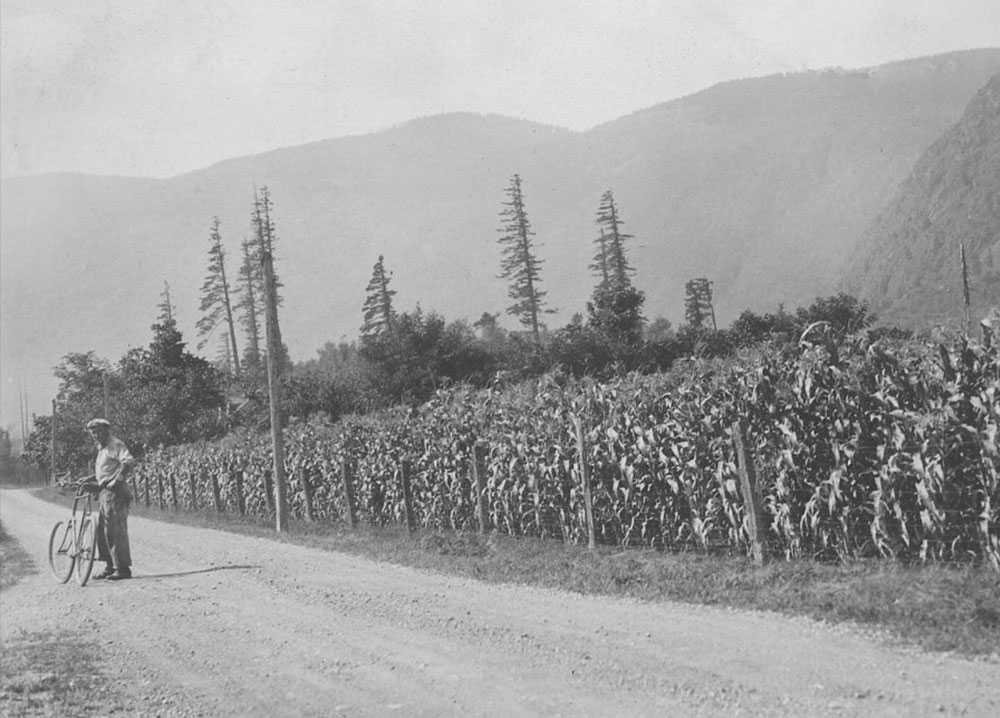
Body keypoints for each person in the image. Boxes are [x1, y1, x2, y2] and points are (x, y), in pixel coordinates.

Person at [86, 418, 135, 581]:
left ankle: (122, 568)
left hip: (116, 493)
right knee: (103, 530)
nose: (96, 435)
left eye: (99, 431)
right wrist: (88, 479)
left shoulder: (115, 444)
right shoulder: (102, 448)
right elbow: (105, 472)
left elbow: (128, 462)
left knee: (115, 529)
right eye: (93, 432)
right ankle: (109, 566)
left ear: (107, 430)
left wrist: (116, 480)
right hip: (105, 493)